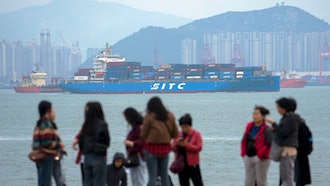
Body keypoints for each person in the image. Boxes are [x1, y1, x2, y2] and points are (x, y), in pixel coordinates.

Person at [141, 97, 179, 186]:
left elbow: (143, 134)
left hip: (151, 150)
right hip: (165, 150)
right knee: (164, 176)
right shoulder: (170, 116)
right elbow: (175, 134)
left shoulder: (149, 116)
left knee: (152, 177)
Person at [266, 97, 299, 186]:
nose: (277, 109)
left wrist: (273, 123)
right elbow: (282, 131)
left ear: (284, 108)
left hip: (288, 152)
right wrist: (273, 129)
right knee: (285, 176)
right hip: (285, 152)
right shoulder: (287, 118)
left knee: (287, 177)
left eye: (278, 107)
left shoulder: (290, 119)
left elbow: (283, 132)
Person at [32, 100, 64, 186]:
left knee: (42, 181)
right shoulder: (47, 124)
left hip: (39, 157)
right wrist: (59, 145)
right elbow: (47, 142)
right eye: (53, 110)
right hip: (47, 157)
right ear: (48, 111)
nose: (54, 113)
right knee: (46, 182)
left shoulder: (38, 124)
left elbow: (34, 144)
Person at [78, 102, 110, 186]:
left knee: (87, 182)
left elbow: (80, 143)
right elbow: (107, 141)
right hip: (99, 157)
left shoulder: (85, 125)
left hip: (87, 157)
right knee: (99, 182)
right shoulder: (102, 124)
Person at [241, 106, 273, 186]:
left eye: (256, 114)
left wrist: (261, 154)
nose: (254, 116)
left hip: (261, 158)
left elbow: (271, 144)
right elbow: (244, 139)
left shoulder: (267, 129)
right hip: (248, 157)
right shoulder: (249, 127)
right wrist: (243, 154)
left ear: (263, 116)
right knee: (248, 182)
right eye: (253, 114)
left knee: (261, 182)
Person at [171, 114, 204, 186]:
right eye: (182, 127)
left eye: (186, 126)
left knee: (198, 183)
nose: (184, 129)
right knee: (183, 183)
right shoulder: (178, 135)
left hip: (193, 164)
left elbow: (199, 148)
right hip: (181, 164)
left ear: (190, 125)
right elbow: (172, 148)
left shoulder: (196, 134)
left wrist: (186, 145)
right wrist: (177, 144)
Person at [288, 98, 312, 186]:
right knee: (299, 177)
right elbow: (310, 136)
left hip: (297, 153)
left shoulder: (291, 121)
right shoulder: (300, 121)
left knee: (297, 177)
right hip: (301, 153)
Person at [123, 108, 146, 186]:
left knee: (139, 180)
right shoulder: (133, 127)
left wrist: (132, 143)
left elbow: (143, 141)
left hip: (138, 155)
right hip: (133, 155)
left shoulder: (139, 127)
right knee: (135, 179)